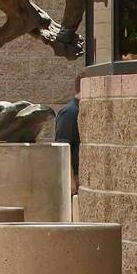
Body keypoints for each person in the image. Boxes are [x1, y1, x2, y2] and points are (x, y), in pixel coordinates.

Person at [55, 74, 82, 215]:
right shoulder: (70, 113)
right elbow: (63, 147)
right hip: (76, 179)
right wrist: (70, 181)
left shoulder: (82, 110)